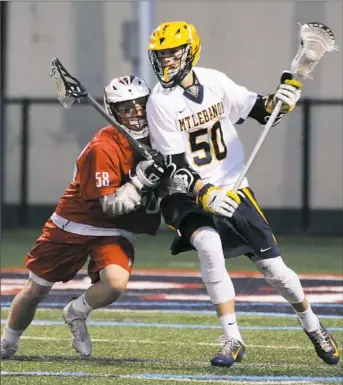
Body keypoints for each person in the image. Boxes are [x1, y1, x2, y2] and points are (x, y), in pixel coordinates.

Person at [146, 21, 340, 368]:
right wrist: (204, 193)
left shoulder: (215, 81)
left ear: (190, 53)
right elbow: (174, 165)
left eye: (173, 55)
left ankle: (312, 324)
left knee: (274, 269)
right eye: (161, 57)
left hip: (233, 183)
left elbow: (261, 110)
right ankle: (232, 338)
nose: (167, 63)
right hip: (187, 193)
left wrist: (285, 94)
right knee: (207, 243)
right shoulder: (160, 101)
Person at [0, 75, 163, 359]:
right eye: (126, 108)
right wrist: (140, 180)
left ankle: (75, 312)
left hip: (114, 230)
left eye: (140, 105)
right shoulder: (104, 147)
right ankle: (8, 342)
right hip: (75, 223)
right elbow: (110, 205)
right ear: (114, 112)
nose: (136, 113)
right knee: (35, 291)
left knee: (115, 284)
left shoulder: (161, 137)